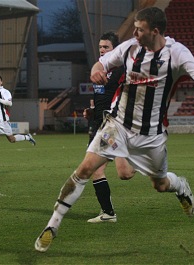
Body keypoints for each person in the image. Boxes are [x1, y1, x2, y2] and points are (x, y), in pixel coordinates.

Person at [34, 6, 194, 252]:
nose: (134, 32)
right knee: (85, 169)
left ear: (155, 31)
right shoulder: (129, 48)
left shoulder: (176, 53)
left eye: (140, 29)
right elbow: (99, 65)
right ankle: (52, 225)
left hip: (150, 136)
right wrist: (96, 72)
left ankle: (181, 187)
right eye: (134, 27)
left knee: (160, 185)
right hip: (118, 126)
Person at [82, 31, 125, 223]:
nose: (102, 50)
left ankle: (108, 213)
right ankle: (107, 213)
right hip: (97, 122)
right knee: (98, 170)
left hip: (111, 124)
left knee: (99, 168)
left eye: (106, 47)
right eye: (100, 47)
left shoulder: (121, 69)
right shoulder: (99, 69)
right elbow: (101, 96)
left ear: (115, 49)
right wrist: (91, 110)